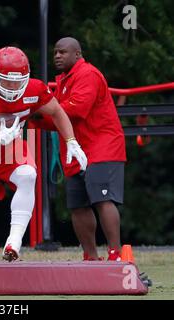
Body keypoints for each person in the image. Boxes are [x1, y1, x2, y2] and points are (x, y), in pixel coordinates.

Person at [0, 46, 87, 269]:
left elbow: (56, 111)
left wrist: (71, 140)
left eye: (18, 81)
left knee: (28, 175)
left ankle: (14, 242)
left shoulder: (35, 89)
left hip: (11, 147)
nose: (13, 86)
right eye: (7, 81)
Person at [34, 37, 127, 261]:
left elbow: (77, 109)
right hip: (77, 150)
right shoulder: (65, 80)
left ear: (78, 54)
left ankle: (115, 254)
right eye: (55, 52)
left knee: (103, 199)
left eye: (63, 52)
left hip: (102, 147)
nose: (57, 56)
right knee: (77, 205)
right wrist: (34, 116)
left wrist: (39, 109)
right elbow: (56, 119)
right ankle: (91, 257)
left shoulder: (88, 74)